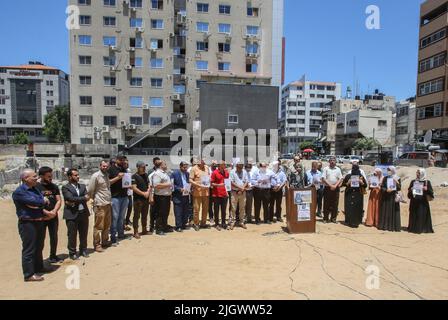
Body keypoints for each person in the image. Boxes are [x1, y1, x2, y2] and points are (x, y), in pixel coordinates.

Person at [13, 169, 54, 282]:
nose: (36, 178)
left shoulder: (35, 189)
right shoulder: (19, 192)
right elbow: (35, 202)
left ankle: (39, 267)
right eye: (34, 177)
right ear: (26, 178)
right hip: (27, 223)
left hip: (38, 220)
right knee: (29, 248)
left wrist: (41, 201)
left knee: (39, 246)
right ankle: (29, 274)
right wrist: (42, 200)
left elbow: (38, 202)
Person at [62, 169, 90, 260]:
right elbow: (69, 198)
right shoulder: (65, 187)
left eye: (78, 175)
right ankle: (72, 252)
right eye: (75, 175)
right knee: (72, 234)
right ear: (70, 177)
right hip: (72, 214)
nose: (78, 176)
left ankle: (83, 250)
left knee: (83, 233)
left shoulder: (82, 186)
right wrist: (82, 198)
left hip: (83, 213)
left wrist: (75, 200)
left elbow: (87, 197)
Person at [36, 166, 62, 263]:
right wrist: (46, 213)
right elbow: (34, 203)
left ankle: (53, 255)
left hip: (53, 216)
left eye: (51, 176)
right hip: (41, 217)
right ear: (42, 176)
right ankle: (39, 259)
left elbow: (59, 200)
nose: (50, 178)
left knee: (54, 236)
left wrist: (54, 211)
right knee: (40, 238)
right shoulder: (36, 187)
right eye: (48, 176)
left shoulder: (54, 187)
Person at [88, 160, 112, 252]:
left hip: (107, 203)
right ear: (100, 166)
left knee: (107, 224)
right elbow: (90, 190)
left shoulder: (106, 175)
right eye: (103, 166)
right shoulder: (96, 176)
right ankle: (97, 244)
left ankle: (105, 241)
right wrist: (93, 201)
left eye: (106, 166)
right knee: (98, 226)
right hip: (100, 204)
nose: (105, 167)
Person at [108, 155, 130, 245]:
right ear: (117, 160)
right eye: (121, 160)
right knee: (115, 218)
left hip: (124, 196)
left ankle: (121, 234)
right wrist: (118, 177)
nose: (123, 162)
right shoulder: (111, 169)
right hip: (115, 197)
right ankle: (113, 237)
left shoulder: (124, 169)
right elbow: (107, 183)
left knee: (121, 217)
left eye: (124, 160)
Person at [407, 168, 434, 234]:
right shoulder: (413, 181)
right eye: (417, 173)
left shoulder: (427, 182)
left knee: (421, 215)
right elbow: (409, 193)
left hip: (422, 203)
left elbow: (431, 193)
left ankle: (422, 229)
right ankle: (412, 228)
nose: (417, 174)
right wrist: (411, 189)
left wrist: (426, 189)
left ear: (422, 173)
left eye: (419, 173)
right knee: (414, 214)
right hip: (414, 202)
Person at [342, 161, 367, 228]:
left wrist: (361, 182)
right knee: (349, 207)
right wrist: (348, 182)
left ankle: (357, 221)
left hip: (358, 194)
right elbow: (343, 184)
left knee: (357, 207)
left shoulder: (361, 176)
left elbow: (365, 185)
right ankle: (349, 221)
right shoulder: (348, 176)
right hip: (349, 194)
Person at [152, 161, 173, 236]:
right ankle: (159, 228)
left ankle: (164, 226)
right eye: (165, 164)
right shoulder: (157, 173)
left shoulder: (165, 173)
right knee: (160, 213)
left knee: (166, 212)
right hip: (160, 197)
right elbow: (156, 185)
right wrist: (168, 184)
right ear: (161, 166)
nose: (166, 165)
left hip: (166, 196)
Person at [189, 159, 211, 231]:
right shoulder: (193, 169)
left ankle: (203, 223)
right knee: (196, 209)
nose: (204, 162)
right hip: (197, 192)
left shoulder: (207, 168)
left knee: (205, 209)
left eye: (204, 161)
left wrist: (209, 181)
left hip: (206, 192)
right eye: (202, 161)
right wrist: (197, 184)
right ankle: (196, 224)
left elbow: (209, 177)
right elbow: (190, 180)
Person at [378, 166, 402, 232]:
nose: (388, 171)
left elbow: (399, 188)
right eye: (387, 170)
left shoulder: (397, 178)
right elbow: (382, 187)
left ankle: (393, 226)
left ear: (393, 170)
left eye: (389, 170)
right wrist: (386, 190)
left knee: (393, 211)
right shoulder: (385, 178)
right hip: (386, 197)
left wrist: (397, 182)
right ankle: (385, 226)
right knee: (385, 211)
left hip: (393, 197)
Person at [131, 161, 150, 239]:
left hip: (146, 198)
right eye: (143, 167)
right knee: (136, 216)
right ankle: (136, 231)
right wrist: (143, 193)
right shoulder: (134, 176)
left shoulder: (146, 175)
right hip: (138, 199)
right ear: (138, 167)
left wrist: (148, 192)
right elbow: (134, 188)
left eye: (145, 166)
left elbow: (149, 185)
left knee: (145, 215)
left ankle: (144, 229)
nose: (144, 168)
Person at [322, 157, 343, 224]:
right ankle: (325, 218)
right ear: (329, 161)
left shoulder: (338, 169)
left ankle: (333, 219)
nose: (332, 162)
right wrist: (331, 185)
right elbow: (323, 178)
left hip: (336, 188)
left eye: (333, 160)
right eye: (331, 160)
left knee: (335, 204)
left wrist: (335, 185)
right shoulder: (326, 169)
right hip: (328, 188)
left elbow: (340, 179)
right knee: (326, 203)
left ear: (336, 162)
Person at [171, 161, 191, 232]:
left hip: (186, 195)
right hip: (178, 196)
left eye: (186, 167)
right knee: (178, 212)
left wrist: (189, 188)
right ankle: (178, 226)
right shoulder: (174, 174)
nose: (185, 168)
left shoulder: (187, 174)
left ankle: (183, 224)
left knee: (185, 211)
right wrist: (179, 189)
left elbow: (188, 182)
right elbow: (172, 185)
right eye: (184, 167)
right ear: (180, 166)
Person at [230, 161, 249, 229]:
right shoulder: (232, 172)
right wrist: (240, 187)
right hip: (234, 192)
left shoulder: (244, 171)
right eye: (239, 167)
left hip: (243, 192)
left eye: (241, 166)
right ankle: (232, 222)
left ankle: (241, 222)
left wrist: (243, 188)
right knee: (233, 208)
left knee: (242, 208)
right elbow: (231, 182)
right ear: (236, 166)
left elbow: (246, 181)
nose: (240, 168)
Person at [211, 161, 230, 230]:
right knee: (216, 210)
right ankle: (217, 224)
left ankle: (223, 223)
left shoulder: (226, 173)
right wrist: (218, 185)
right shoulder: (214, 173)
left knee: (224, 210)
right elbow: (211, 183)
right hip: (216, 194)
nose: (225, 165)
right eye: (223, 164)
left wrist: (228, 191)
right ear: (219, 166)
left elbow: (228, 183)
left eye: (225, 164)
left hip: (224, 194)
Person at [148, 159, 162, 233]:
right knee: (153, 211)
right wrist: (151, 196)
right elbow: (150, 186)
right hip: (154, 194)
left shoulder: (162, 173)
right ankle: (151, 226)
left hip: (159, 194)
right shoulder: (151, 173)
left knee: (158, 211)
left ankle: (157, 225)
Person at [124, 160, 133, 232]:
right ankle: (123, 223)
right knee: (123, 209)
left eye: (127, 163)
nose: (127, 165)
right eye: (125, 164)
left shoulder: (129, 171)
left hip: (129, 193)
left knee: (130, 207)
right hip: (124, 194)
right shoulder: (121, 171)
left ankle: (127, 220)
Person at [208, 160, 218, 225]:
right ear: (211, 165)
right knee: (210, 203)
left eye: (215, 165)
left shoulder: (217, 170)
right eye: (213, 165)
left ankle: (216, 216)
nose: (214, 166)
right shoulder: (208, 170)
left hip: (216, 188)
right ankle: (211, 217)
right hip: (209, 188)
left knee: (216, 203)